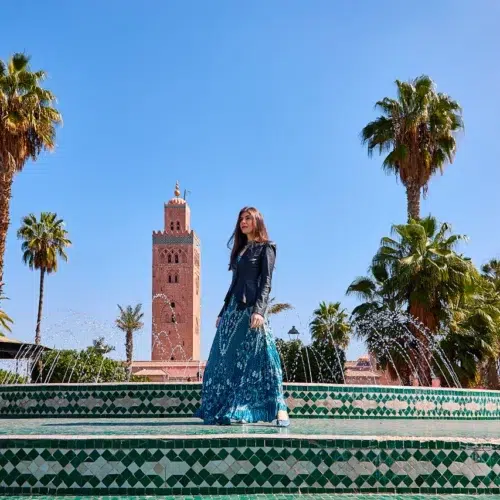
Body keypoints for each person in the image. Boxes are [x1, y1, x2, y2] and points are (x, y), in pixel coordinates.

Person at [194, 207, 290, 426]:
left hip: (251, 310)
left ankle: (279, 408)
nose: (243, 222)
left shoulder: (266, 248)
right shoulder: (240, 250)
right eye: (241, 219)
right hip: (232, 311)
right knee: (222, 359)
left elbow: (266, 282)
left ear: (257, 221)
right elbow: (234, 284)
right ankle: (230, 407)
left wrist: (259, 311)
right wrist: (222, 312)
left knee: (264, 356)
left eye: (248, 218)